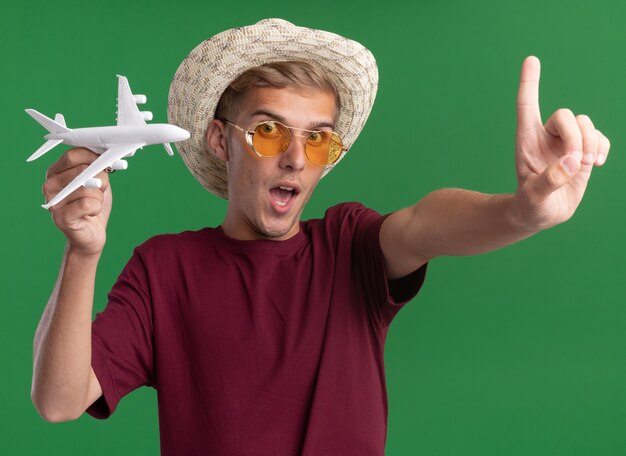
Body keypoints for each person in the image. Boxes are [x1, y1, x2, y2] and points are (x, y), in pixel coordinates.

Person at [30, 18, 610, 455]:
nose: (293, 159)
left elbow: (426, 223)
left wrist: (521, 212)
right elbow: (59, 400)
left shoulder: (350, 246)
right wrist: (83, 252)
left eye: (317, 139)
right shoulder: (164, 270)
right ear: (217, 140)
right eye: (266, 130)